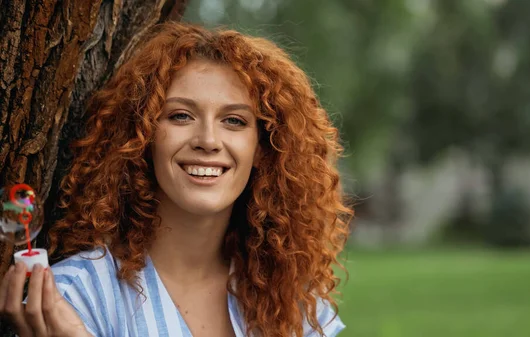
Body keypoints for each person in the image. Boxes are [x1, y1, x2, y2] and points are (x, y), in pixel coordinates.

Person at [0, 21, 353, 337]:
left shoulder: (290, 299)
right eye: (181, 115)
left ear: (263, 147)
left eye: (234, 121)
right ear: (142, 137)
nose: (208, 141)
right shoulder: (74, 297)